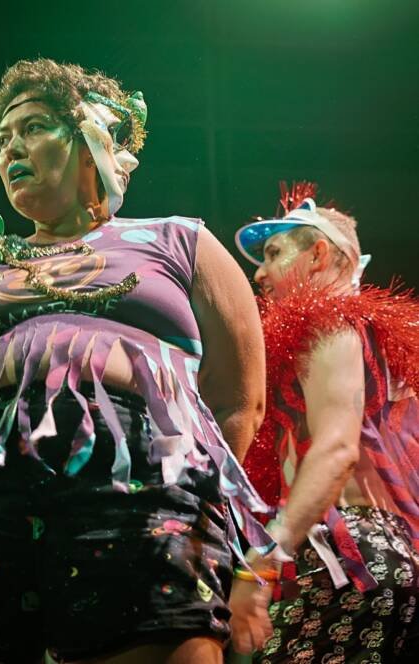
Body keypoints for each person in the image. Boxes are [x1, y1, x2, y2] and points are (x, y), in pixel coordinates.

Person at [0, 58, 269, 664]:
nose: (11, 149)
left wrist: (204, 511)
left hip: (140, 475)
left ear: (90, 142)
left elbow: (240, 398)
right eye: (2, 139)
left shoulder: (177, 240)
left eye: (31, 127)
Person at [229, 184, 419, 661]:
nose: (259, 272)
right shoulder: (377, 347)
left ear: (318, 255)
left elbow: (337, 449)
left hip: (349, 555)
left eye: (274, 253)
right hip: (386, 555)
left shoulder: (328, 323)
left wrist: (262, 563)